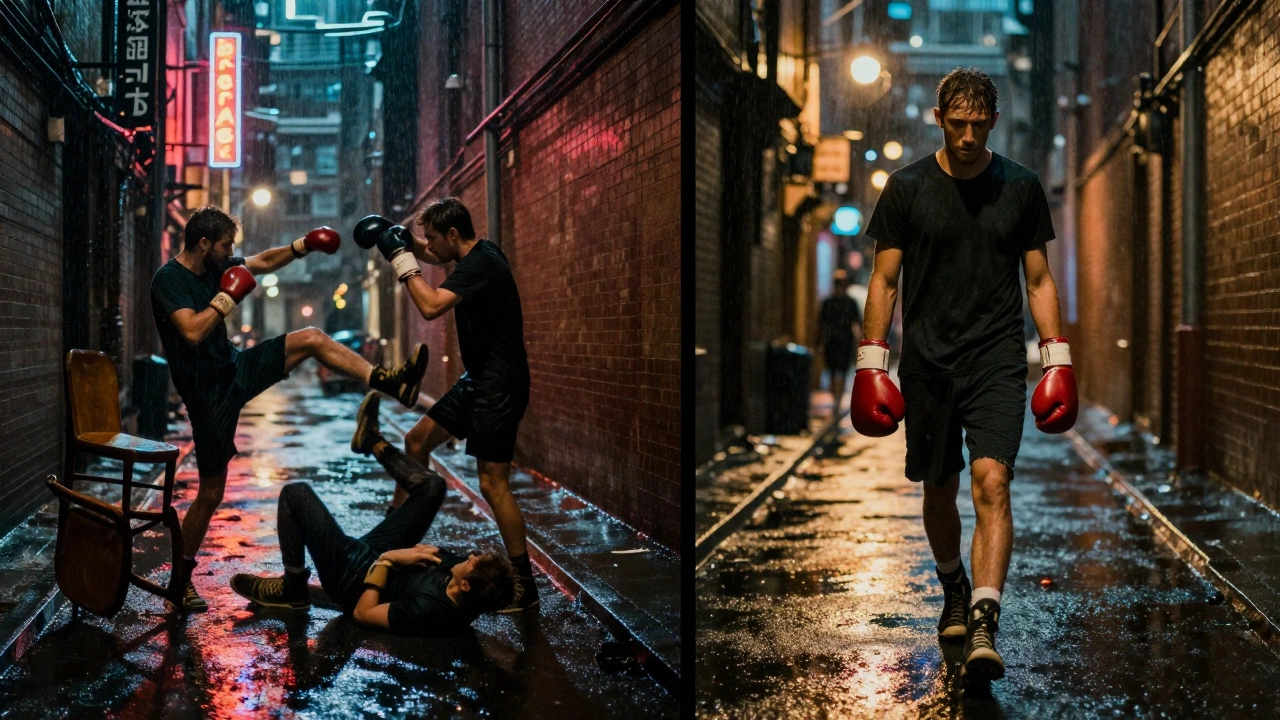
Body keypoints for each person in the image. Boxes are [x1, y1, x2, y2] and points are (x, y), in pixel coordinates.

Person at [852, 67, 1078, 682]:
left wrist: (1056, 356)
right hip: (927, 362)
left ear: (995, 123)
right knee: (938, 487)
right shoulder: (906, 188)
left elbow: (1037, 279)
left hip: (998, 359)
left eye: (981, 124)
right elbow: (885, 278)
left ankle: (984, 616)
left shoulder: (1022, 187)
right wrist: (872, 361)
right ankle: (952, 581)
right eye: (959, 123)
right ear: (939, 119)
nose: (970, 135)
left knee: (993, 482)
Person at [150, 206, 431, 612]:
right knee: (211, 493)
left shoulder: (216, 263)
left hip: (235, 368)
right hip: (206, 395)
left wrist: (304, 246)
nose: (232, 252)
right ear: (204, 243)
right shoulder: (169, 280)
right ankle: (180, 581)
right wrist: (227, 297)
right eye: (226, 245)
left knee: (312, 338)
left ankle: (390, 381)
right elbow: (192, 331)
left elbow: (262, 261)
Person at [351, 198, 538, 612]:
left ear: (453, 235)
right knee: (417, 442)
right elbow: (428, 251)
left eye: (435, 238)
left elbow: (431, 306)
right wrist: (395, 236)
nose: (429, 247)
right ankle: (394, 538)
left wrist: (401, 258)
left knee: (492, 482)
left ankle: (524, 585)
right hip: (478, 380)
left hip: (500, 385)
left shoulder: (481, 265)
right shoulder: (477, 253)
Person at [229, 437, 515, 633]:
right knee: (433, 487)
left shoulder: (430, 612)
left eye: (474, 562)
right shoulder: (465, 583)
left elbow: (363, 614)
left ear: (464, 587)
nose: (472, 555)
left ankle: (291, 590)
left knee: (295, 495)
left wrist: (389, 560)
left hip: (352, 578)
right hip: (385, 555)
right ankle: (373, 440)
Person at [816, 270, 863, 415]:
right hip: (832, 341)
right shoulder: (828, 303)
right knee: (832, 371)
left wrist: (858, 343)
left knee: (841, 371)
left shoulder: (850, 303)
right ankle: (835, 399)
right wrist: (819, 342)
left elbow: (857, 324)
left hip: (844, 342)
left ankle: (837, 401)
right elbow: (821, 325)